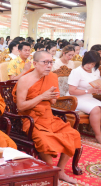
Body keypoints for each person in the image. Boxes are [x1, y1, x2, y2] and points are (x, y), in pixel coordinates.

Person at [12, 51, 81, 184]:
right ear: (35, 64)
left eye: (51, 62)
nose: (49, 66)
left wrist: (51, 97)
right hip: (31, 119)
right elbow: (21, 107)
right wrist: (42, 96)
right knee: (44, 140)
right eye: (45, 62)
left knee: (73, 134)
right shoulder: (24, 80)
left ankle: (60, 171)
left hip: (49, 117)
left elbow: (53, 102)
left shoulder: (52, 77)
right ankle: (51, 171)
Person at [68, 51, 101, 143]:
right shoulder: (76, 72)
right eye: (88, 62)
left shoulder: (96, 71)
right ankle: (98, 136)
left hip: (88, 97)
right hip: (75, 98)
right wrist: (88, 91)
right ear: (84, 59)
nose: (89, 66)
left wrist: (97, 90)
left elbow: (94, 86)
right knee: (96, 109)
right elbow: (71, 91)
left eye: (93, 64)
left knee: (98, 107)